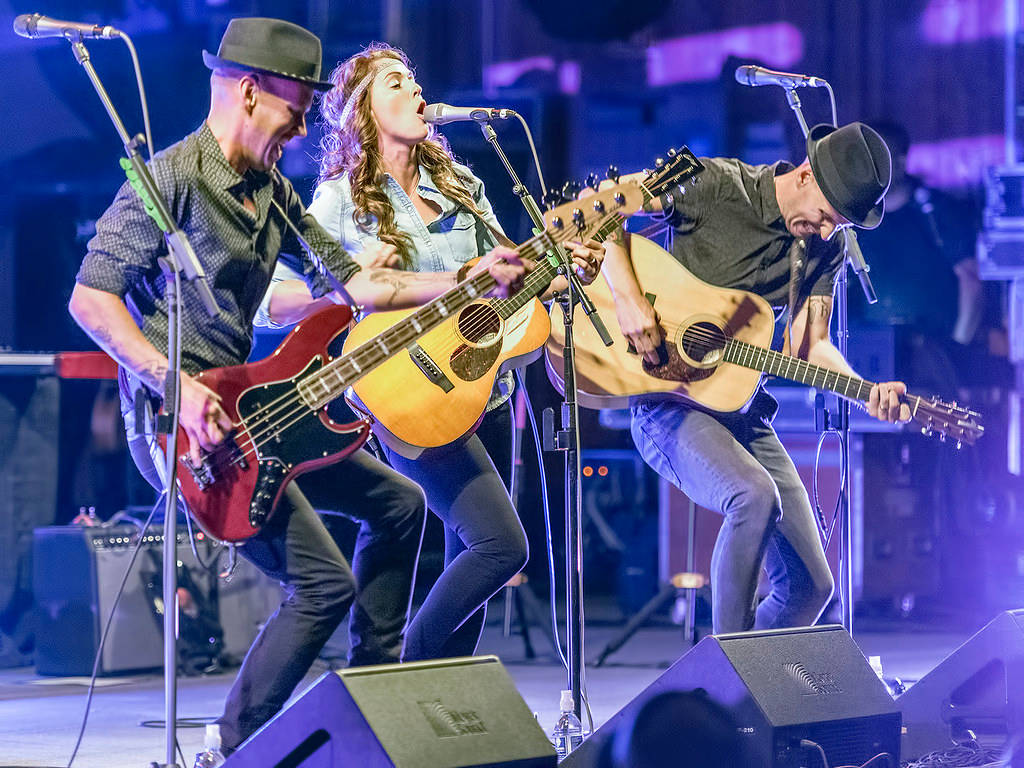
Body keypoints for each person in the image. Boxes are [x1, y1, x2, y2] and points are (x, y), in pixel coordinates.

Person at [66, 18, 526, 751]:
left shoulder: (273, 188)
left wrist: (464, 276)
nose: (305, 124)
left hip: (257, 407)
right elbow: (90, 299)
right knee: (322, 585)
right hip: (181, 423)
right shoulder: (169, 178)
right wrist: (174, 385)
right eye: (294, 107)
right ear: (248, 93)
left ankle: (377, 715)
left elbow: (358, 286)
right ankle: (237, 748)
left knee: (402, 506)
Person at [258, 43, 603, 660]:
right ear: (359, 110)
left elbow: (507, 280)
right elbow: (273, 297)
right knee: (502, 546)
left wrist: (562, 266)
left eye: (415, 81)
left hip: (485, 390)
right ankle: (405, 680)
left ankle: (446, 707)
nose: (416, 92)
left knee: (474, 561)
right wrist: (343, 284)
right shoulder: (340, 200)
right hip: (406, 391)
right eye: (396, 82)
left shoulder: (461, 185)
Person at [601, 122, 907, 634]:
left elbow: (809, 346)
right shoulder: (717, 186)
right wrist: (629, 299)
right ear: (807, 175)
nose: (827, 230)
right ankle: (729, 689)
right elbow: (601, 205)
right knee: (753, 495)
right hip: (668, 404)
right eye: (827, 216)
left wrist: (867, 390)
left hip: (742, 412)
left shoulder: (823, 250)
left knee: (813, 585)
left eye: (838, 226)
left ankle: (726, 680)